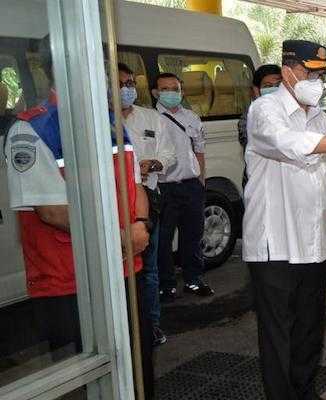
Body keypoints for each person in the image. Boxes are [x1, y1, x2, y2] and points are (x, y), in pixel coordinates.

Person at [3, 39, 155, 398]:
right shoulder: (31, 129)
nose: (103, 75)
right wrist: (120, 236)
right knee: (87, 385)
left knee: (137, 370)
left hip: (123, 268)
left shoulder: (110, 121)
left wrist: (139, 224)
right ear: (57, 67)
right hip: (70, 281)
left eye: (103, 66)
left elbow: (135, 185)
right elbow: (52, 210)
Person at [243, 40, 326, 400]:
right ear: (288, 72)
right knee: (278, 334)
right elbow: (287, 142)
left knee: (310, 328)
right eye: (310, 73)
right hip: (275, 245)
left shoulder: (321, 118)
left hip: (312, 243)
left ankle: (305, 391)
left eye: (321, 74)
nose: (317, 81)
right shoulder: (264, 110)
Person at [118, 62, 176, 345]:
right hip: (112, 202)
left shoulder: (151, 118)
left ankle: (150, 325)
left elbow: (169, 154)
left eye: (130, 84)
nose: (126, 89)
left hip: (147, 200)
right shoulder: (96, 120)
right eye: (120, 84)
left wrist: (153, 163)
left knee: (148, 268)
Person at [152, 72, 214, 300]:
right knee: (163, 240)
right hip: (164, 187)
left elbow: (199, 150)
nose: (171, 93)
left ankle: (193, 280)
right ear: (155, 93)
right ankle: (166, 285)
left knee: (193, 236)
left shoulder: (191, 117)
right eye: (165, 89)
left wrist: (201, 180)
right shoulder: (150, 119)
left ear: (182, 91)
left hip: (191, 186)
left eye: (175, 89)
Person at [238, 64, 282, 187]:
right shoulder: (249, 116)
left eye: (278, 85)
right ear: (257, 90)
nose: (274, 89)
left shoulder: (292, 110)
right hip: (260, 182)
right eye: (268, 86)